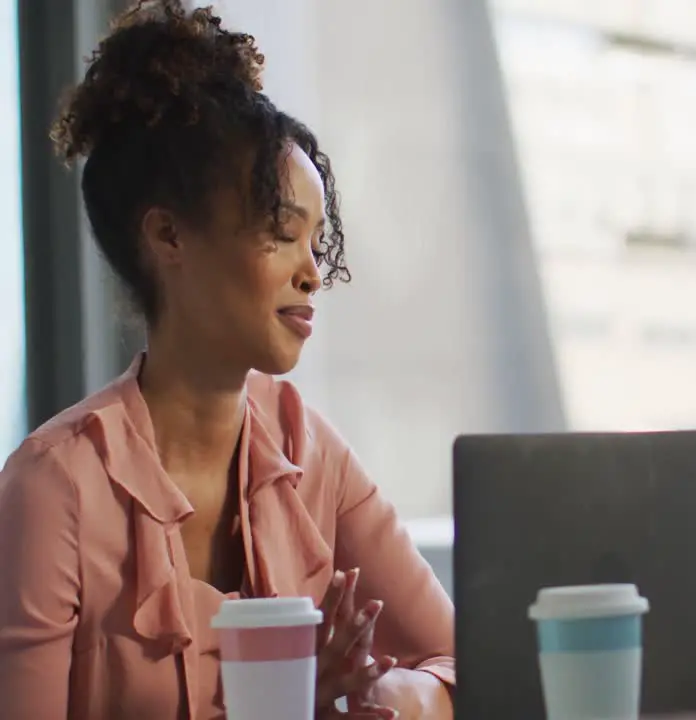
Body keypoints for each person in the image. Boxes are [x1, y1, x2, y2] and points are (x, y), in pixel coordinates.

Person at [0, 2, 454, 718]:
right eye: (280, 232)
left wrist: (385, 695)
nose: (311, 272)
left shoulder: (313, 453)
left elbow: (465, 660)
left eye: (316, 240)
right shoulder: (54, 488)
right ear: (168, 237)